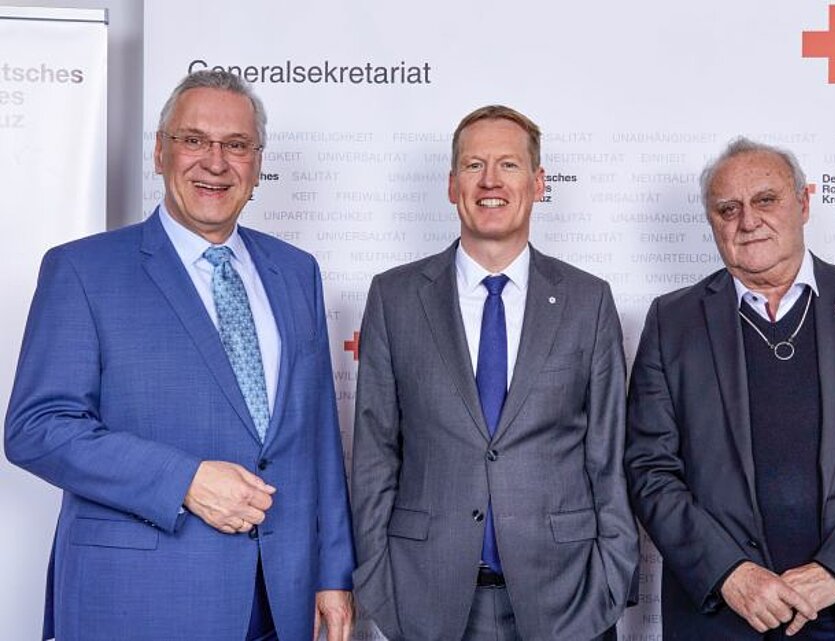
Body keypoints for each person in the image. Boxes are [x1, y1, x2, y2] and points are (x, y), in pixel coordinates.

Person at [4, 70, 355, 641]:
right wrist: (184, 479)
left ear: (257, 164)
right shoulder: (83, 271)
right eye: (194, 140)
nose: (215, 162)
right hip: (137, 599)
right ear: (161, 151)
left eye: (235, 145)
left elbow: (318, 440)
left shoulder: (296, 273)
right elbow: (37, 428)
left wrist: (333, 575)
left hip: (280, 601)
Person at [625, 137, 835, 641]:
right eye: (727, 208)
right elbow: (650, 469)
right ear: (712, 221)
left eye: (766, 199)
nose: (748, 220)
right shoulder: (673, 321)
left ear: (803, 203)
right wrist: (730, 574)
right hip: (728, 614)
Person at [350, 105, 638, 641]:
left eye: (508, 165)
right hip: (427, 600)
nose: (490, 181)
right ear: (451, 184)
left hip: (567, 598)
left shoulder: (588, 300)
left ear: (538, 182)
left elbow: (608, 455)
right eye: (473, 164)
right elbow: (374, 453)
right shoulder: (394, 297)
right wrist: (378, 583)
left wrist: (610, 586)